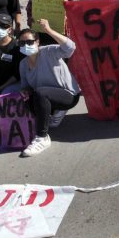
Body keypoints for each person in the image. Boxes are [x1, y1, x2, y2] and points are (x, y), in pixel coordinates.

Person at [18, 19, 81, 157]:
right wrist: (24, 92)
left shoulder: (48, 51)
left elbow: (70, 48)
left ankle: (42, 137)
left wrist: (49, 30)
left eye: (29, 42)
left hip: (68, 95)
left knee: (41, 93)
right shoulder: (23, 64)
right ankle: (54, 113)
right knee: (28, 98)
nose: (26, 45)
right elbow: (26, 86)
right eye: (22, 43)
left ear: (37, 42)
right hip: (47, 97)